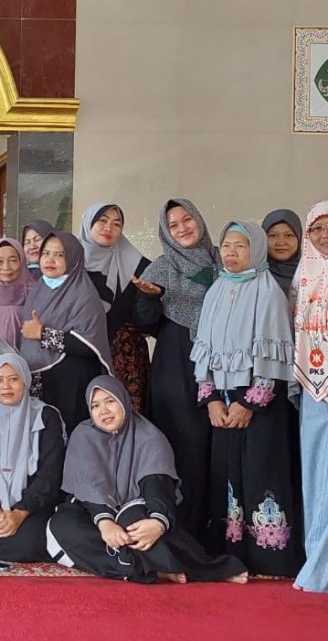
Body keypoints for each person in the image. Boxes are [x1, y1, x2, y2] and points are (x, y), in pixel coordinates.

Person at [46, 376, 250, 584]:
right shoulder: (83, 435)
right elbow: (88, 485)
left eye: (110, 401)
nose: (103, 411)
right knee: (63, 525)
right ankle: (145, 568)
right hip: (93, 512)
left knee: (137, 526)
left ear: (124, 401)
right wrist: (105, 522)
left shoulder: (148, 436)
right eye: (95, 405)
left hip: (134, 508)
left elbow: (157, 485)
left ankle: (207, 569)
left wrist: (157, 523)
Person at [191, 221, 302, 577]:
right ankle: (228, 552)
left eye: (241, 246)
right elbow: (203, 353)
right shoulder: (216, 290)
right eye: (226, 245)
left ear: (255, 250)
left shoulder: (268, 292)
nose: (231, 253)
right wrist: (210, 399)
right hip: (222, 401)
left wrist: (250, 402)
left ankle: (268, 556)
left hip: (260, 404)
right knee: (224, 473)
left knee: (260, 471)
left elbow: (275, 356)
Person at [134, 198, 219, 542]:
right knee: (182, 446)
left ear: (199, 219)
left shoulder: (222, 262)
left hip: (220, 365)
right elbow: (145, 324)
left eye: (187, 220)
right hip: (176, 367)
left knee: (214, 448)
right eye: (173, 225)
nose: (182, 228)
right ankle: (177, 531)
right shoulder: (161, 268)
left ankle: (212, 532)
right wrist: (149, 298)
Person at [0, 354, 65, 562]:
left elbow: (49, 474)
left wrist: (20, 513)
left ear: (25, 380)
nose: (5, 387)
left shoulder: (46, 416)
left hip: (32, 505)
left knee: (30, 544)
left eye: (13, 379)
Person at [19, 230, 113, 434]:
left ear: (73, 258)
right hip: (39, 379)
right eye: (46, 253)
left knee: (67, 434)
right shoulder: (39, 288)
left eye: (59, 255)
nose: (50, 260)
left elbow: (89, 345)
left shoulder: (84, 294)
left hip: (71, 381)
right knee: (43, 436)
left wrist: (43, 334)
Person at [293, 200, 328, 593]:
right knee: (316, 480)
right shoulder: (304, 275)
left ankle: (324, 573)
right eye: (317, 228)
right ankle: (317, 564)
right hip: (313, 388)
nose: (326, 235)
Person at [79, 203, 151, 413]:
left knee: (123, 416)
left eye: (116, 224)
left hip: (125, 357)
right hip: (82, 351)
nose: (108, 228)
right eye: (102, 221)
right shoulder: (72, 263)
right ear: (88, 224)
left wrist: (150, 298)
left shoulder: (139, 266)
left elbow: (146, 321)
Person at [262, 209, 302, 298]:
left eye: (289, 235)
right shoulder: (253, 277)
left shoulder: (314, 276)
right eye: (273, 236)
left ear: (299, 239)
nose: (281, 242)